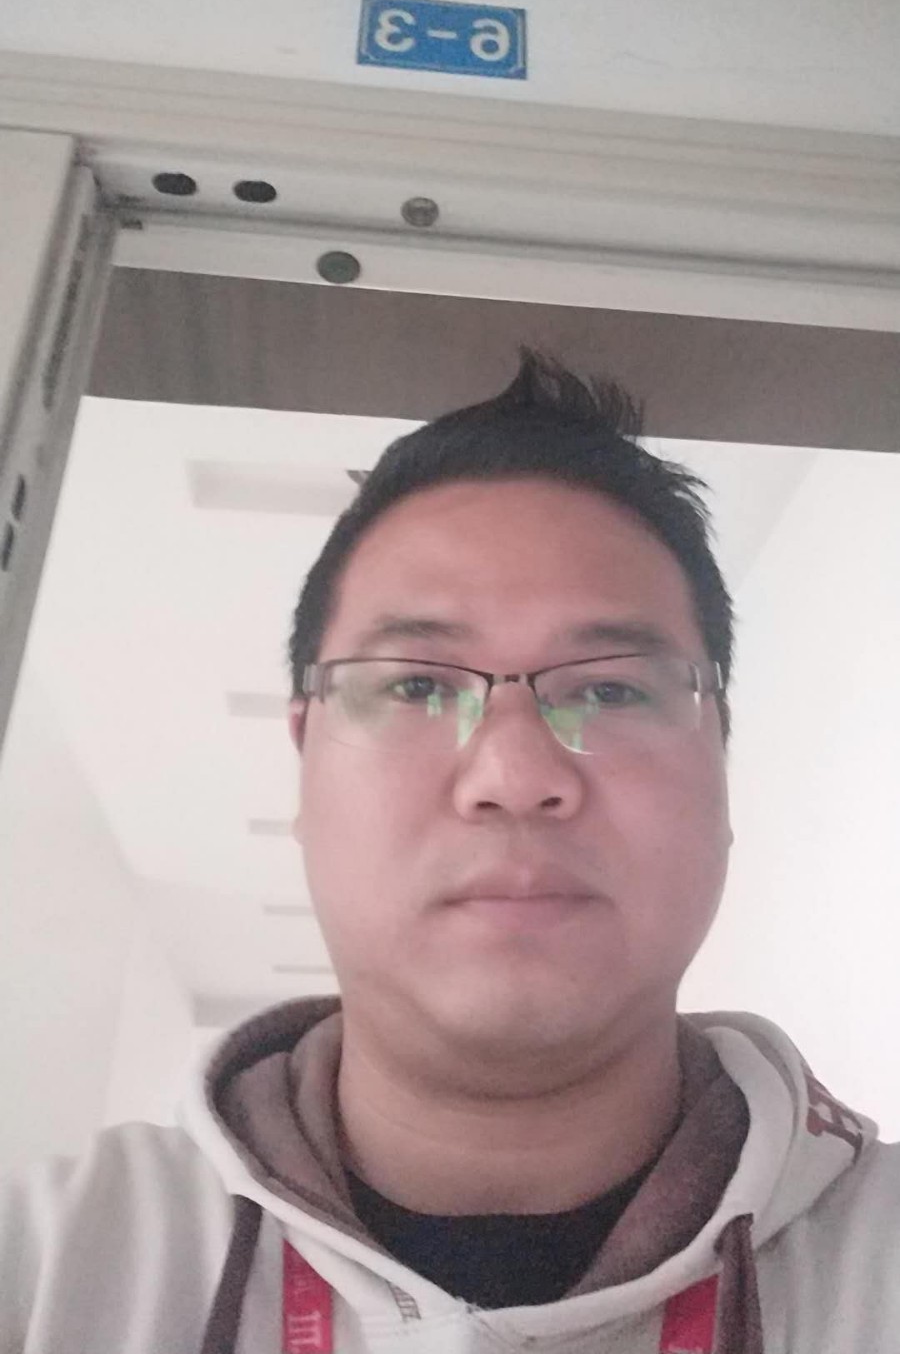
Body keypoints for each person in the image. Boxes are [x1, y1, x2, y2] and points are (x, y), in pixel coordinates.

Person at [1, 348, 897, 1354]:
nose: (513, 774)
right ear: (305, 763)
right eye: (417, 686)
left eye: (609, 689)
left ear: (720, 760)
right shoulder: (53, 1268)